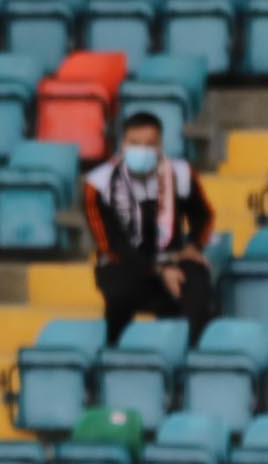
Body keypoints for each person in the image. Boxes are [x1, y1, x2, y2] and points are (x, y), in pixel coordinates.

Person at [84, 114, 216, 347]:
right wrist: (159, 270)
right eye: (135, 143)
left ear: (160, 145)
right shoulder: (99, 184)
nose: (142, 150)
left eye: (150, 144)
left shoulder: (181, 173)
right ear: (123, 145)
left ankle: (196, 359)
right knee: (121, 291)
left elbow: (204, 215)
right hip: (123, 263)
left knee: (198, 281)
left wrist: (193, 246)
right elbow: (111, 245)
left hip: (172, 258)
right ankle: (113, 354)